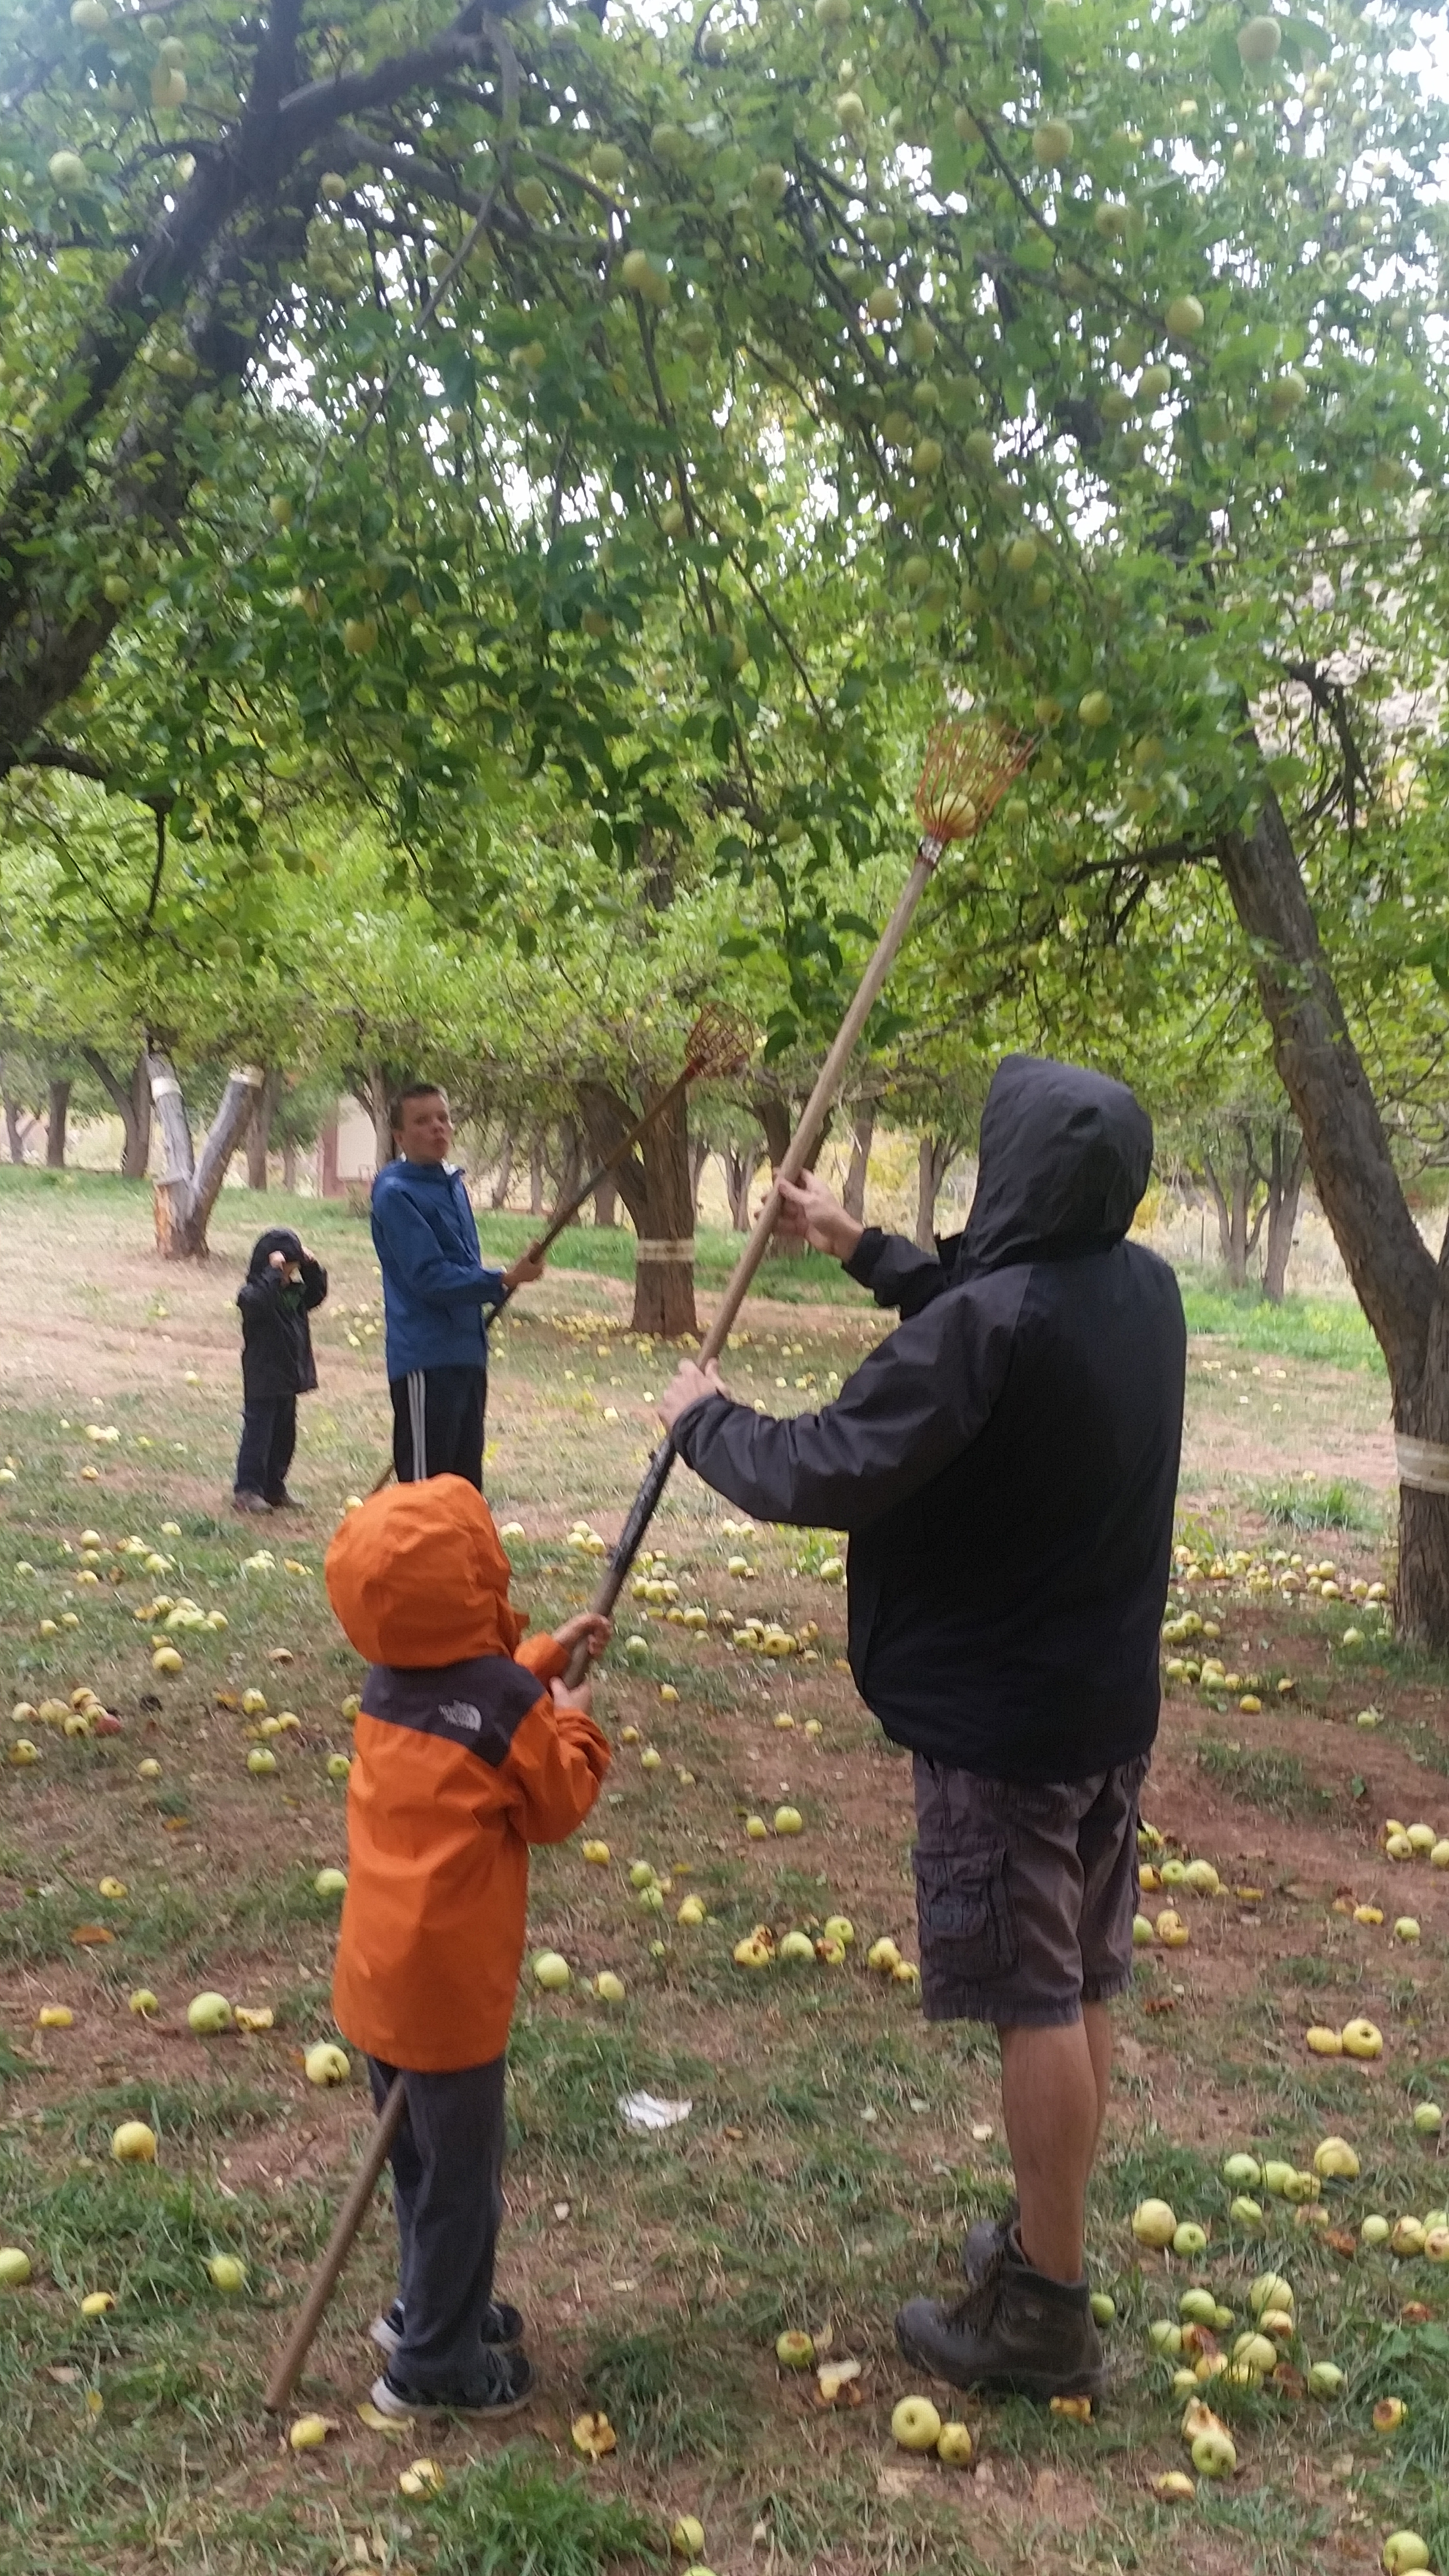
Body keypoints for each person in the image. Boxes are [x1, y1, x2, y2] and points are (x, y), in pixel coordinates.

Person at [658, 1055, 1185, 2403]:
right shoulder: (1139, 1294)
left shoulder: (988, 1327)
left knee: (1035, 1996)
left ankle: (1044, 2310)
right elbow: (994, 1307)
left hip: (1005, 1723)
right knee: (1074, 1982)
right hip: (1100, 1707)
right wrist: (854, 1243)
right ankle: (1043, 2239)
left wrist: (703, 1425)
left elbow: (833, 1465)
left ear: (1014, 1173)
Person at [324, 1473, 611, 2419]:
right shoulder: (504, 1706)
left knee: (419, 2163)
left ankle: (428, 2303)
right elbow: (557, 1803)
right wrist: (568, 1708)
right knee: (464, 2185)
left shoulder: (387, 1682)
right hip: (450, 1995)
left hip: (378, 1981)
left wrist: (535, 1662)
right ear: (477, 1580)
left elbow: (470, 1695)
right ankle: (435, 2366)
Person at [371, 1084, 546, 1492]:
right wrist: (502, 1279)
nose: (438, 1128)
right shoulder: (396, 1193)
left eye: (443, 1118)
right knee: (425, 1493)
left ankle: (460, 1558)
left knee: (463, 1487)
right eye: (422, 1121)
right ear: (399, 1136)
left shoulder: (452, 1184)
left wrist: (506, 1281)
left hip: (467, 1353)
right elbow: (429, 1277)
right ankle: (419, 1559)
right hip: (425, 1360)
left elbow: (463, 1264)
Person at [233, 1227, 328, 1515]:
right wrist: (273, 1274)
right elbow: (257, 1301)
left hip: (288, 1375)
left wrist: (311, 1268)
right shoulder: (254, 1295)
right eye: (287, 1271)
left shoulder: (293, 1296)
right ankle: (248, 1489)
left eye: (292, 1272)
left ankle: (274, 1486)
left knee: (284, 1436)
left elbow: (317, 1294)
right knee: (259, 1434)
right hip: (264, 1375)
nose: (289, 1277)